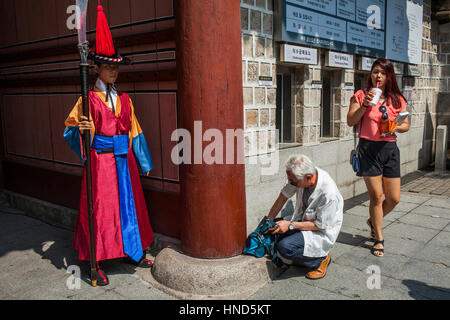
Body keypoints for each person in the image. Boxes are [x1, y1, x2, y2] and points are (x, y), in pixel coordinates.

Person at [63, 3, 154, 285]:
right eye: (108, 67)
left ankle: (132, 250)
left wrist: (144, 160)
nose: (114, 72)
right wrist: (83, 130)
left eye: (116, 68)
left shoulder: (125, 99)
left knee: (129, 208)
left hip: (124, 160)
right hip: (100, 162)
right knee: (102, 211)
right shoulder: (86, 100)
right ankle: (96, 260)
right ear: (97, 68)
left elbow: (135, 130)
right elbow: (69, 131)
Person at [347, 58, 410, 257]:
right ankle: (378, 238)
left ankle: (373, 220)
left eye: (383, 73)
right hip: (368, 149)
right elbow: (350, 121)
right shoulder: (360, 95)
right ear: (370, 75)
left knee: (394, 199)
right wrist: (365, 105)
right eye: (375, 72)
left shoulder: (397, 99)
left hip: (390, 149)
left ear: (389, 76)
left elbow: (406, 124)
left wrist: (394, 126)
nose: (378, 76)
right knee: (377, 196)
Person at [267, 155, 343, 280]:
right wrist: (268, 220)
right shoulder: (299, 176)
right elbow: (283, 197)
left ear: (308, 178)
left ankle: (320, 259)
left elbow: (320, 225)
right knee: (274, 229)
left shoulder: (329, 194)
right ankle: (303, 256)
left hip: (321, 230)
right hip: (304, 220)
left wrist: (290, 225)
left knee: (285, 247)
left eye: (293, 182)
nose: (290, 183)